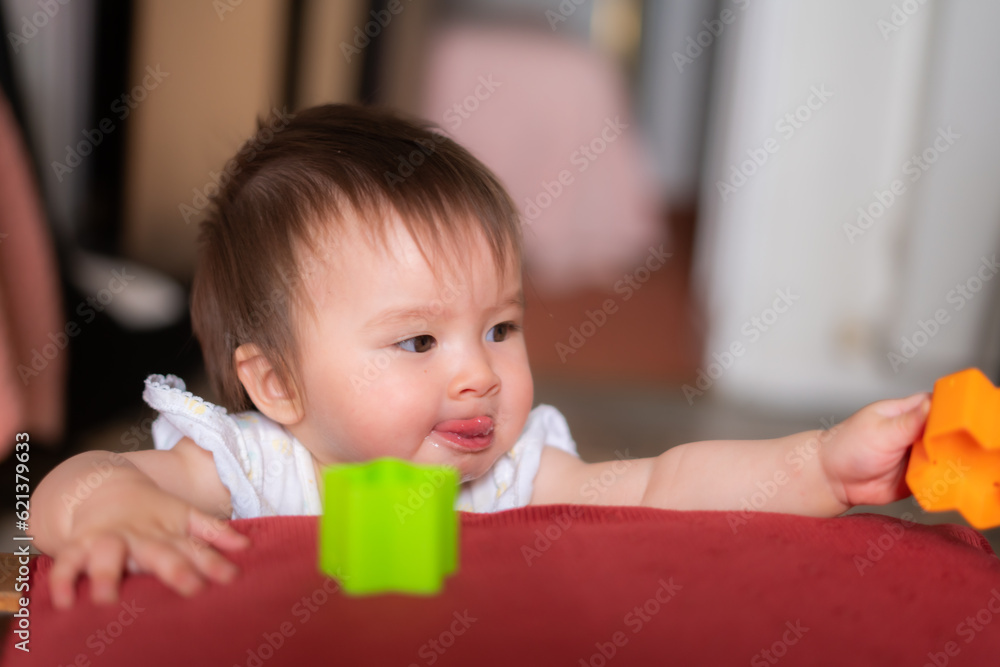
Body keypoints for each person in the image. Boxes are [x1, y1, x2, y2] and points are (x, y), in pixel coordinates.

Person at [28, 104, 931, 609]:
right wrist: (111, 511)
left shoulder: (516, 472)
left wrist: (818, 464)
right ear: (278, 382)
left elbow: (668, 486)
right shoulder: (250, 463)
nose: (479, 374)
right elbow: (70, 482)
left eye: (500, 327)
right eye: (418, 340)